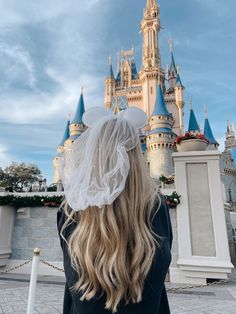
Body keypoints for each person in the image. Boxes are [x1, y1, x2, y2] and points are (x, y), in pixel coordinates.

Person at [57, 107, 173, 314]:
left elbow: (72, 278)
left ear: (93, 152)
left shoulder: (70, 210)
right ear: (136, 153)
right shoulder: (155, 206)